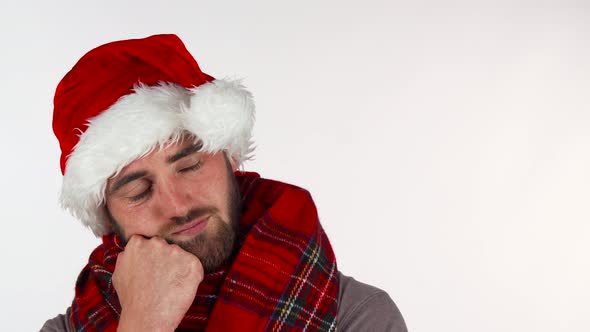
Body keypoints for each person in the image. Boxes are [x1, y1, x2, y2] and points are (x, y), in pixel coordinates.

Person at [41, 34, 407, 332]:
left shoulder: (356, 317)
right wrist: (144, 323)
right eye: (139, 191)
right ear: (107, 217)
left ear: (230, 159)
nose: (177, 206)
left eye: (190, 166)